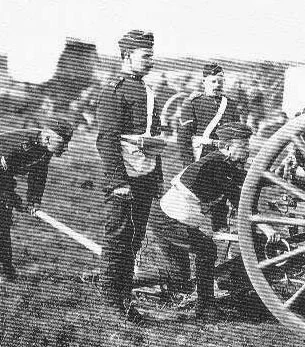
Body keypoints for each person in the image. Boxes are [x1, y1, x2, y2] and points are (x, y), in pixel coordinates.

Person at [151, 122, 278, 320]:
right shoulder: (216, 164)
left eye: (248, 144)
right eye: (243, 145)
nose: (248, 149)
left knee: (180, 277)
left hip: (177, 219)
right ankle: (205, 307)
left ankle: (195, 297)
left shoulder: (225, 163)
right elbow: (239, 199)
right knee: (206, 250)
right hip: (167, 220)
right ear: (226, 147)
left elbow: (249, 179)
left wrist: (280, 176)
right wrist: (266, 228)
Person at [95, 29, 166, 318]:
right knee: (119, 237)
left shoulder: (147, 91)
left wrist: (156, 176)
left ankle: (124, 297)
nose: (151, 60)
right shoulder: (115, 90)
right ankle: (113, 302)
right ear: (127, 56)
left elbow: (153, 136)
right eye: (145, 55)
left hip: (145, 175)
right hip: (124, 177)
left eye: (151, 54)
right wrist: (117, 182)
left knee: (135, 239)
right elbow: (106, 139)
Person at [0, 119, 73, 282]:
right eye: (63, 143)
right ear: (47, 139)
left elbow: (38, 174)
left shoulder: (44, 148)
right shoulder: (21, 146)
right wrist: (15, 201)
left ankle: (7, 268)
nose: (66, 148)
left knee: (4, 222)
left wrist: (33, 200)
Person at [177, 62, 240, 166]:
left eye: (220, 82)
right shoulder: (193, 103)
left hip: (224, 156)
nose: (217, 85)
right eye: (213, 81)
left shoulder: (231, 104)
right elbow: (184, 136)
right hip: (201, 154)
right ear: (203, 81)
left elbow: (238, 136)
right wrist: (188, 162)